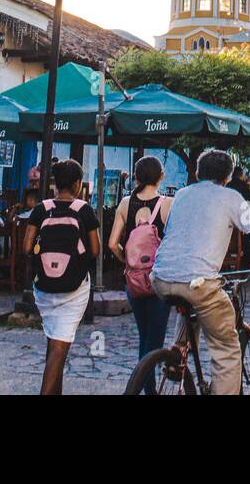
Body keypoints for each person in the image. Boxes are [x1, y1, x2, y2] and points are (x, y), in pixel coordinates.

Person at [151, 149, 250, 394]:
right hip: (198, 281)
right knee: (226, 348)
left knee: (191, 301)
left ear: (197, 173)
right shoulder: (231, 197)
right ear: (228, 176)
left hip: (160, 277)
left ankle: (178, 351)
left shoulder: (181, 194)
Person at [23, 159, 100, 395]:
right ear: (77, 183)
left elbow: (27, 247)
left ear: (55, 183)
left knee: (54, 341)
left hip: (44, 287)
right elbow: (95, 250)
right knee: (59, 348)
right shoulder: (84, 210)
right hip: (74, 288)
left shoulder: (41, 209)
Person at [107, 154, 172, 393]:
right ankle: (146, 390)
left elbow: (112, 243)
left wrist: (129, 262)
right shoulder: (167, 204)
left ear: (136, 177)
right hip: (158, 280)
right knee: (154, 342)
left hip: (133, 281)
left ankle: (143, 387)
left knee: (144, 336)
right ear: (161, 176)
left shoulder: (126, 203)